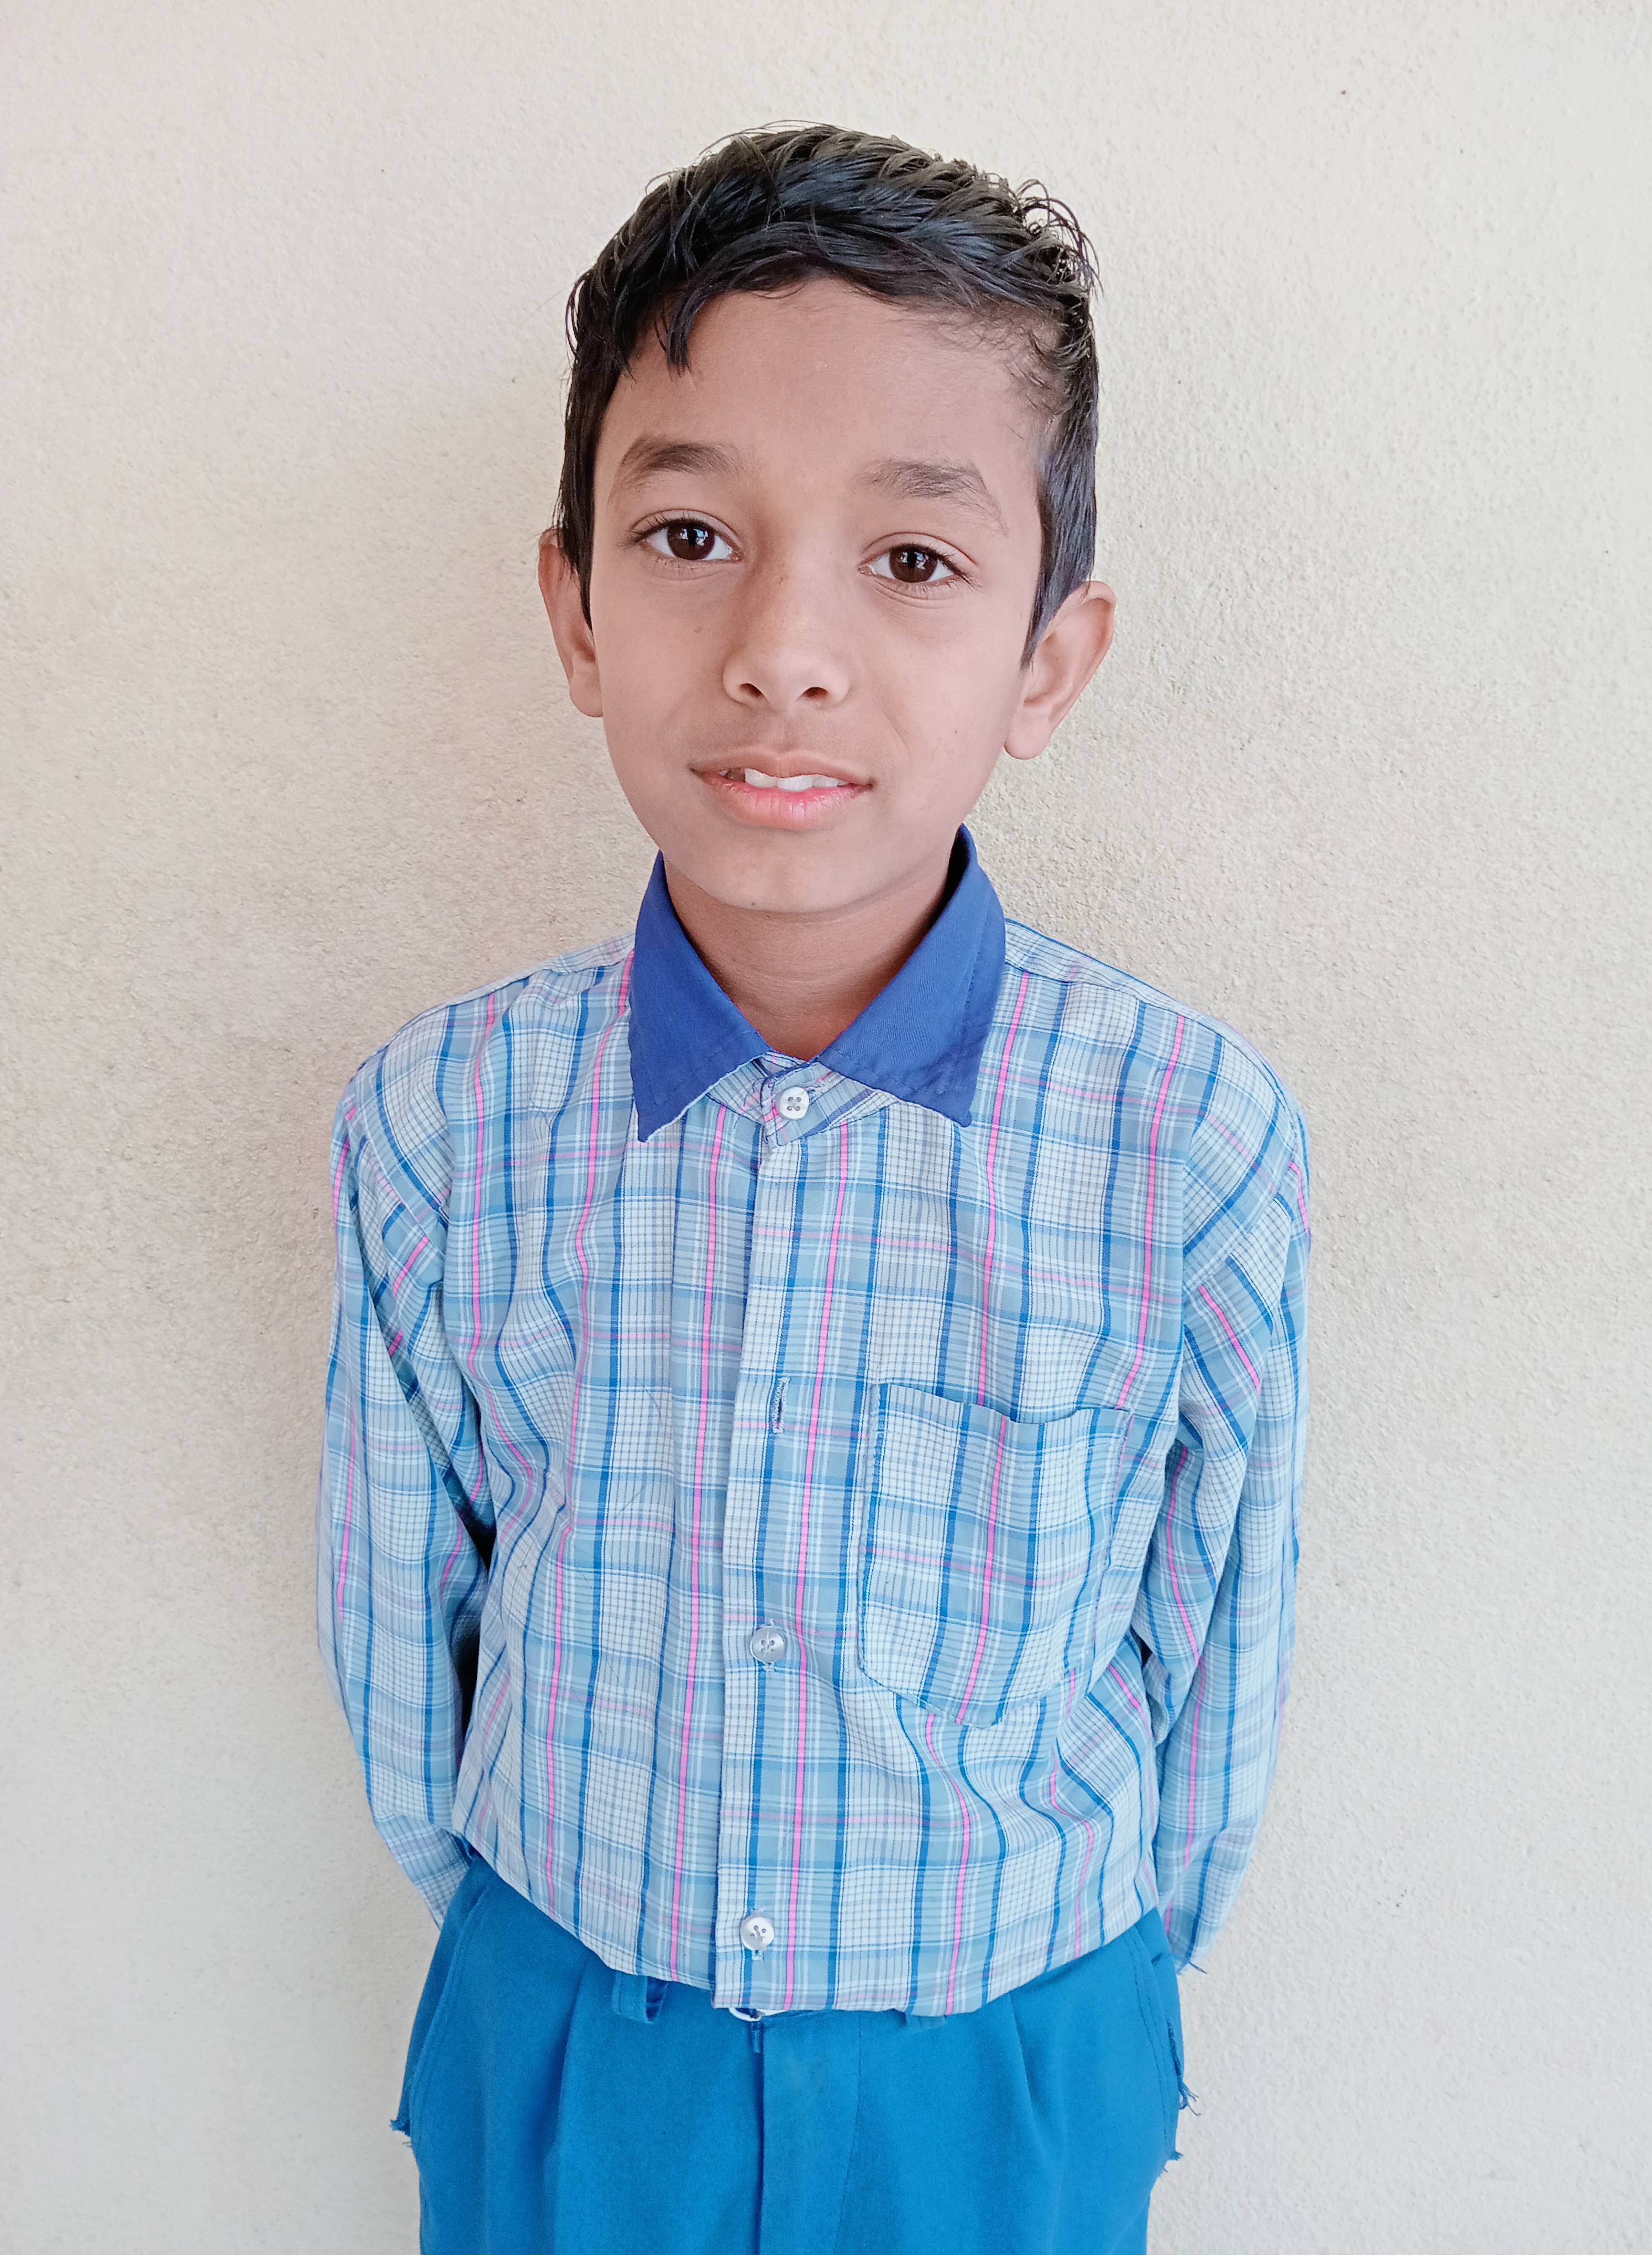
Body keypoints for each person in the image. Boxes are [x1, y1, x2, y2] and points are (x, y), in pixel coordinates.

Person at [317, 124, 1310, 2255]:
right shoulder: (442, 1124)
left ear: (1048, 658)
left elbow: (1218, 1642)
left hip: (1003, 2061)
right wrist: (560, 1948)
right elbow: (407, 1633)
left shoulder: (1187, 1139)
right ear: (577, 610)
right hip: (577, 2032)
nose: (785, 648)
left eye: (915, 560)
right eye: (690, 534)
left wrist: (1080, 1994)